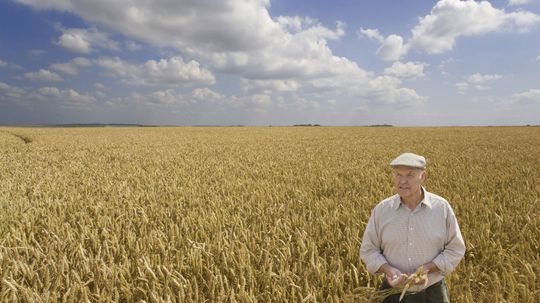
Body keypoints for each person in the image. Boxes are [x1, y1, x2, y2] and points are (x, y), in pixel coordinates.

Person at [360, 152, 465, 303]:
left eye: (410, 175)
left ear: (423, 177)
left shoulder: (441, 208)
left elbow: (455, 249)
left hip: (433, 293)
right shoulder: (382, 210)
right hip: (392, 292)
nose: (403, 181)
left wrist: (427, 269)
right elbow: (369, 250)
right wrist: (388, 270)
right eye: (398, 175)